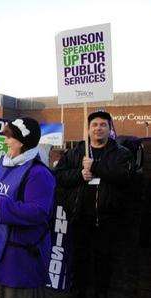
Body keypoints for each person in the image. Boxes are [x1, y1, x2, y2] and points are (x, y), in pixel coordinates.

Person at [0, 117, 55, 298]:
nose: (5, 141)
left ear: (22, 141)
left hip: (18, 261)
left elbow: (39, 212)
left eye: (9, 137)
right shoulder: (4, 163)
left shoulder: (39, 173)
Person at [54, 111, 133, 298]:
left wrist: (95, 167)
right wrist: (79, 175)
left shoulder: (121, 153)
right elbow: (58, 176)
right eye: (94, 125)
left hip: (107, 220)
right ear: (88, 129)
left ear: (109, 128)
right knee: (79, 262)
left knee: (103, 264)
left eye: (103, 125)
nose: (98, 128)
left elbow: (124, 177)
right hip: (79, 217)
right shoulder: (74, 153)